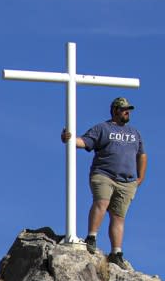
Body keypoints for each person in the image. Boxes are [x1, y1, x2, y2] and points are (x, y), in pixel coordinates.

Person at [61, 97, 148, 269]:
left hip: (127, 182)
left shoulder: (134, 133)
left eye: (128, 109)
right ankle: (91, 237)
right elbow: (85, 142)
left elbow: (142, 155)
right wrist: (69, 139)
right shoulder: (103, 128)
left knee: (118, 216)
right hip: (104, 175)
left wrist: (140, 177)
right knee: (102, 202)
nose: (127, 112)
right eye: (124, 109)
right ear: (115, 110)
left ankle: (116, 253)